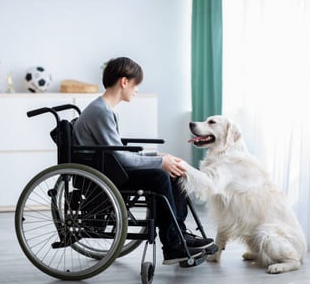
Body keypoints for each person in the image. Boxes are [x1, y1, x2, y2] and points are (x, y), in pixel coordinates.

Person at [73, 57, 214, 265]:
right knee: (160, 176)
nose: (136, 89)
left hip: (109, 167)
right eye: (135, 84)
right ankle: (173, 244)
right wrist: (159, 163)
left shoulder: (103, 109)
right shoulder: (100, 111)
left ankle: (179, 235)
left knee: (172, 169)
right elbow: (120, 156)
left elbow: (117, 152)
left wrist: (158, 157)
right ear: (124, 82)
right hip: (104, 174)